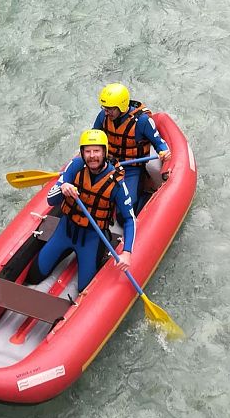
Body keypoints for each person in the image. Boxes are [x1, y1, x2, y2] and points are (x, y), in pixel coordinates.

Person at [28, 129, 136, 291]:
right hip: (66, 230)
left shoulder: (117, 183)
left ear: (104, 152)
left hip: (93, 236)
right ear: (82, 153)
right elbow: (51, 199)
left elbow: (129, 219)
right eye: (88, 151)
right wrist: (63, 187)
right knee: (34, 275)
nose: (92, 156)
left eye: (97, 151)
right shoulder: (75, 167)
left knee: (84, 288)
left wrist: (127, 252)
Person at [94, 82, 171, 210]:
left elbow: (159, 143)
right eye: (105, 108)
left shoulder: (142, 121)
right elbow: (94, 138)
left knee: (124, 213)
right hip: (108, 164)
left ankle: (144, 197)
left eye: (110, 109)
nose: (107, 112)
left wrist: (164, 152)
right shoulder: (103, 116)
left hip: (131, 168)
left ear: (122, 106)